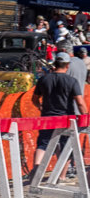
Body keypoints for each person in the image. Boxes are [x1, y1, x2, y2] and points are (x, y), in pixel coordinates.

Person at [32, 52, 88, 181]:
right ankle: (61, 176)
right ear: (67, 65)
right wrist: (85, 116)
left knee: (43, 144)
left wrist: (40, 107)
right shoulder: (71, 81)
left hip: (47, 117)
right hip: (65, 118)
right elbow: (80, 102)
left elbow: (35, 98)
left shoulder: (44, 79)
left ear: (55, 64)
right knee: (65, 146)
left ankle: (36, 167)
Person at [56, 41, 88, 113]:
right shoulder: (81, 62)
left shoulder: (66, 64)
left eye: (58, 51)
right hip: (79, 107)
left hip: (66, 109)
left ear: (63, 51)